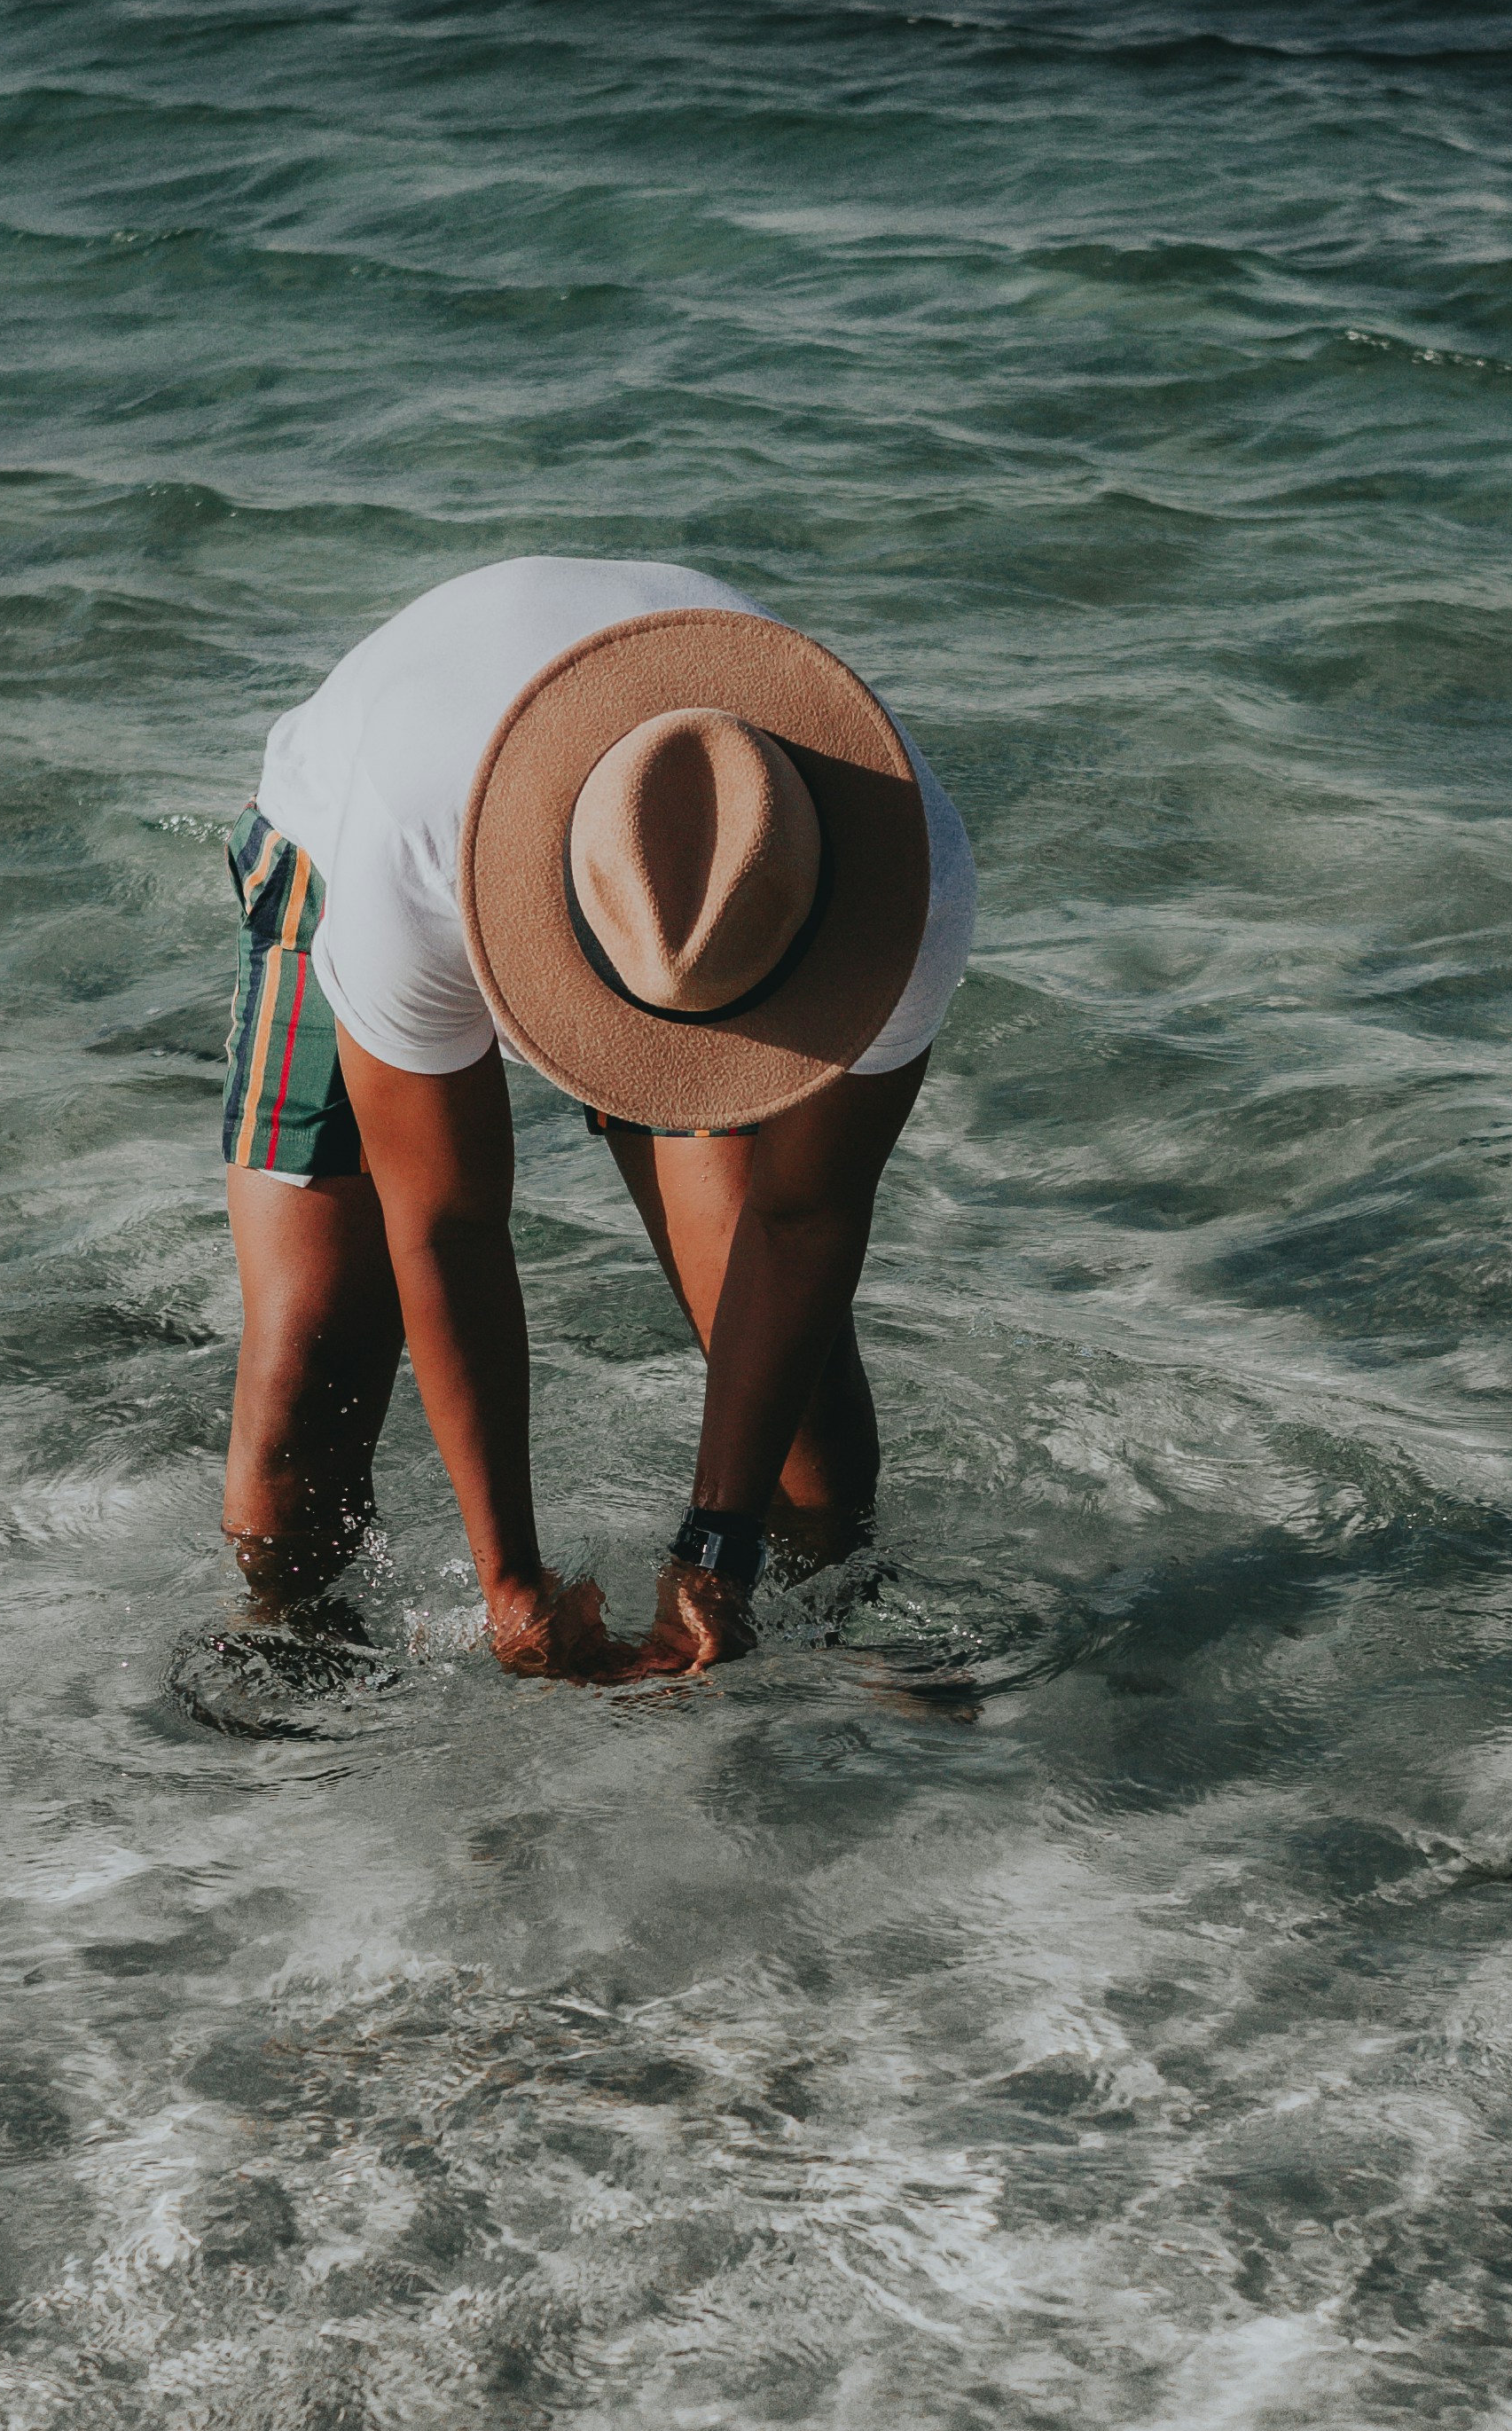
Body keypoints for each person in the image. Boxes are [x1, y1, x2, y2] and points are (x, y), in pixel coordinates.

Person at [216, 558, 975, 1681]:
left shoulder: (903, 889)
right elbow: (449, 1227)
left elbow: (806, 1221)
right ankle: (290, 1709)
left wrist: (721, 1551)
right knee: (310, 1381)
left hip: (693, 896)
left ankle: (840, 1672)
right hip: (363, 846)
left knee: (796, 1409)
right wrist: (508, 1580)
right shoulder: (402, 851)